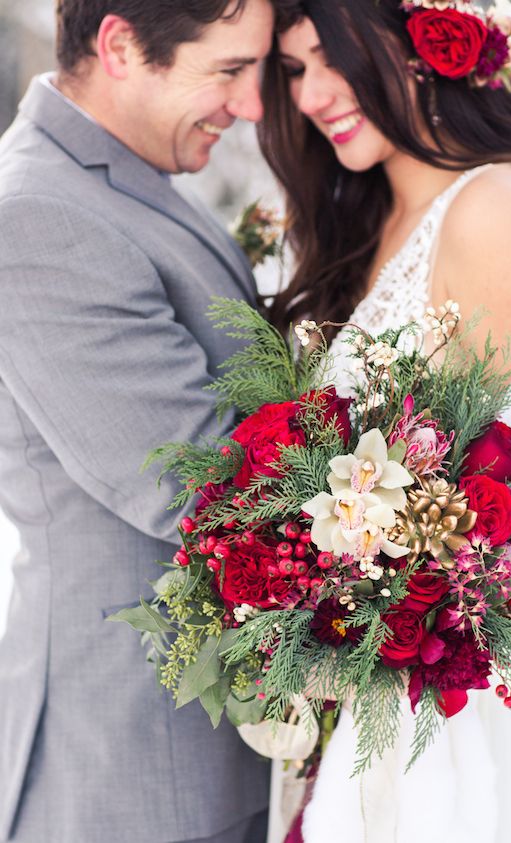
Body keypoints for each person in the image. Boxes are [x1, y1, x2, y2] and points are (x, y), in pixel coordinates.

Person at [257, 0, 511, 841]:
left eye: (330, 58)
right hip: (364, 672)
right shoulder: (352, 222)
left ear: (414, 41)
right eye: (293, 70)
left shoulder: (495, 205)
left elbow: (463, 486)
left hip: (449, 691)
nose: (313, 95)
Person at [0, 2, 274, 842]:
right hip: (130, 763)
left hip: (195, 742)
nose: (252, 104)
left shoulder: (122, 174)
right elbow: (197, 483)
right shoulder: (39, 214)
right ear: (121, 46)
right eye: (228, 70)